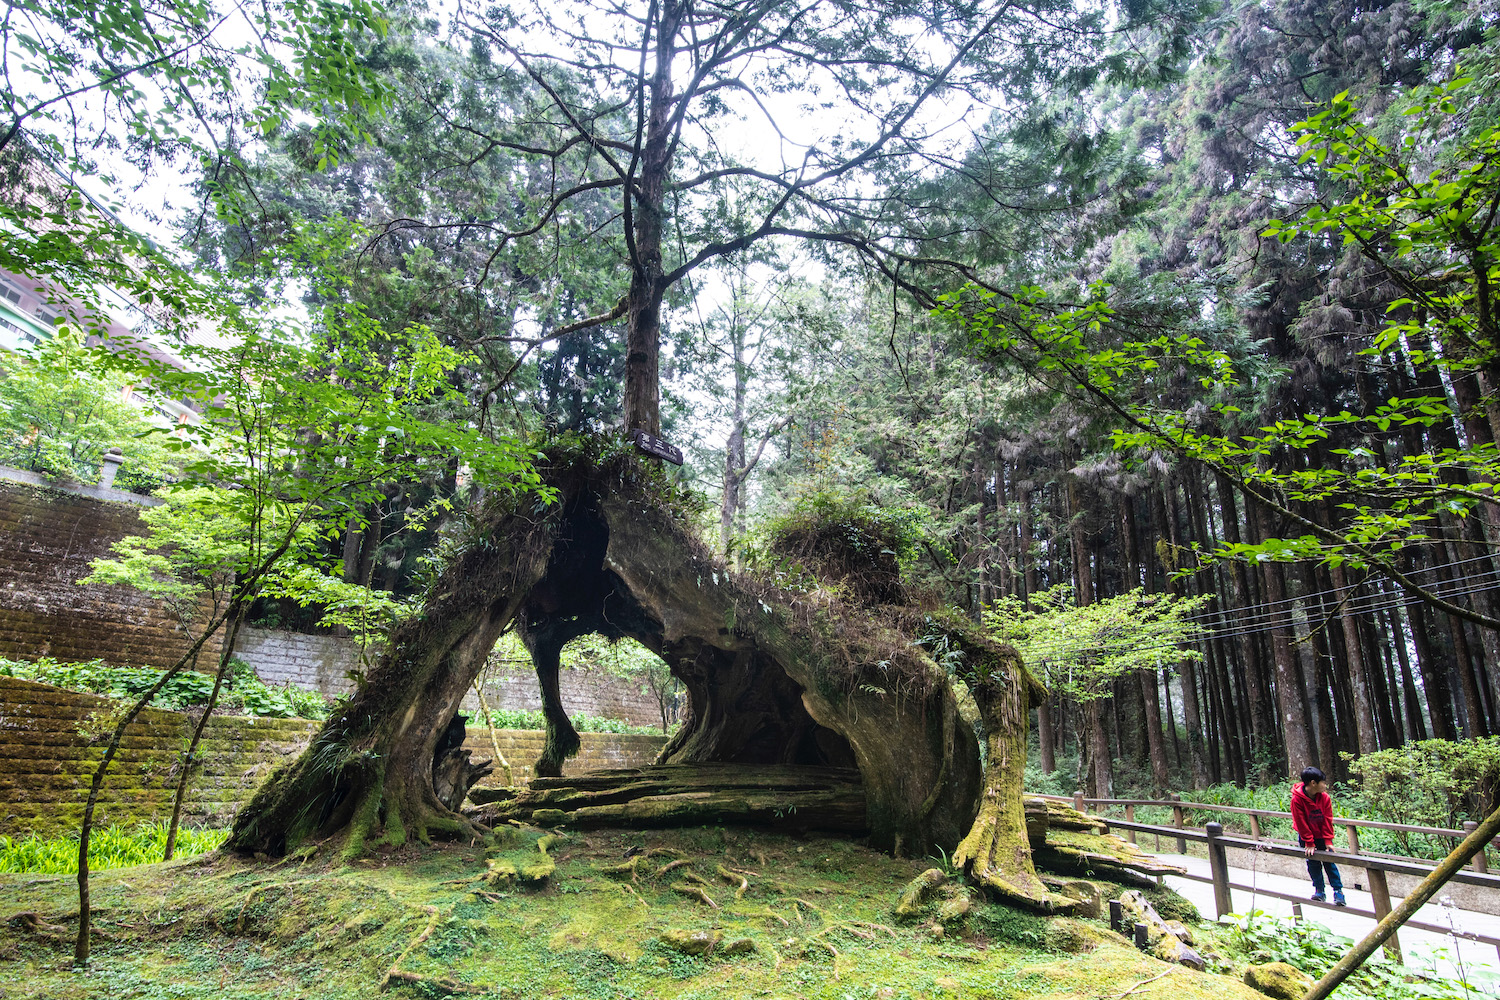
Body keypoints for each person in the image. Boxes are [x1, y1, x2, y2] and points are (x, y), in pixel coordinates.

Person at [1290, 766, 1346, 906]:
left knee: (1329, 862)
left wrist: (1328, 840)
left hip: (1321, 835)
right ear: (1313, 783)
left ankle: (1338, 891)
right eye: (1323, 782)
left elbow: (1328, 819)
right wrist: (1309, 842)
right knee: (1313, 863)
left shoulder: (1324, 798)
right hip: (1306, 836)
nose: (1325, 785)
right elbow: (1300, 822)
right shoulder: (1297, 800)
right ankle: (1319, 890)